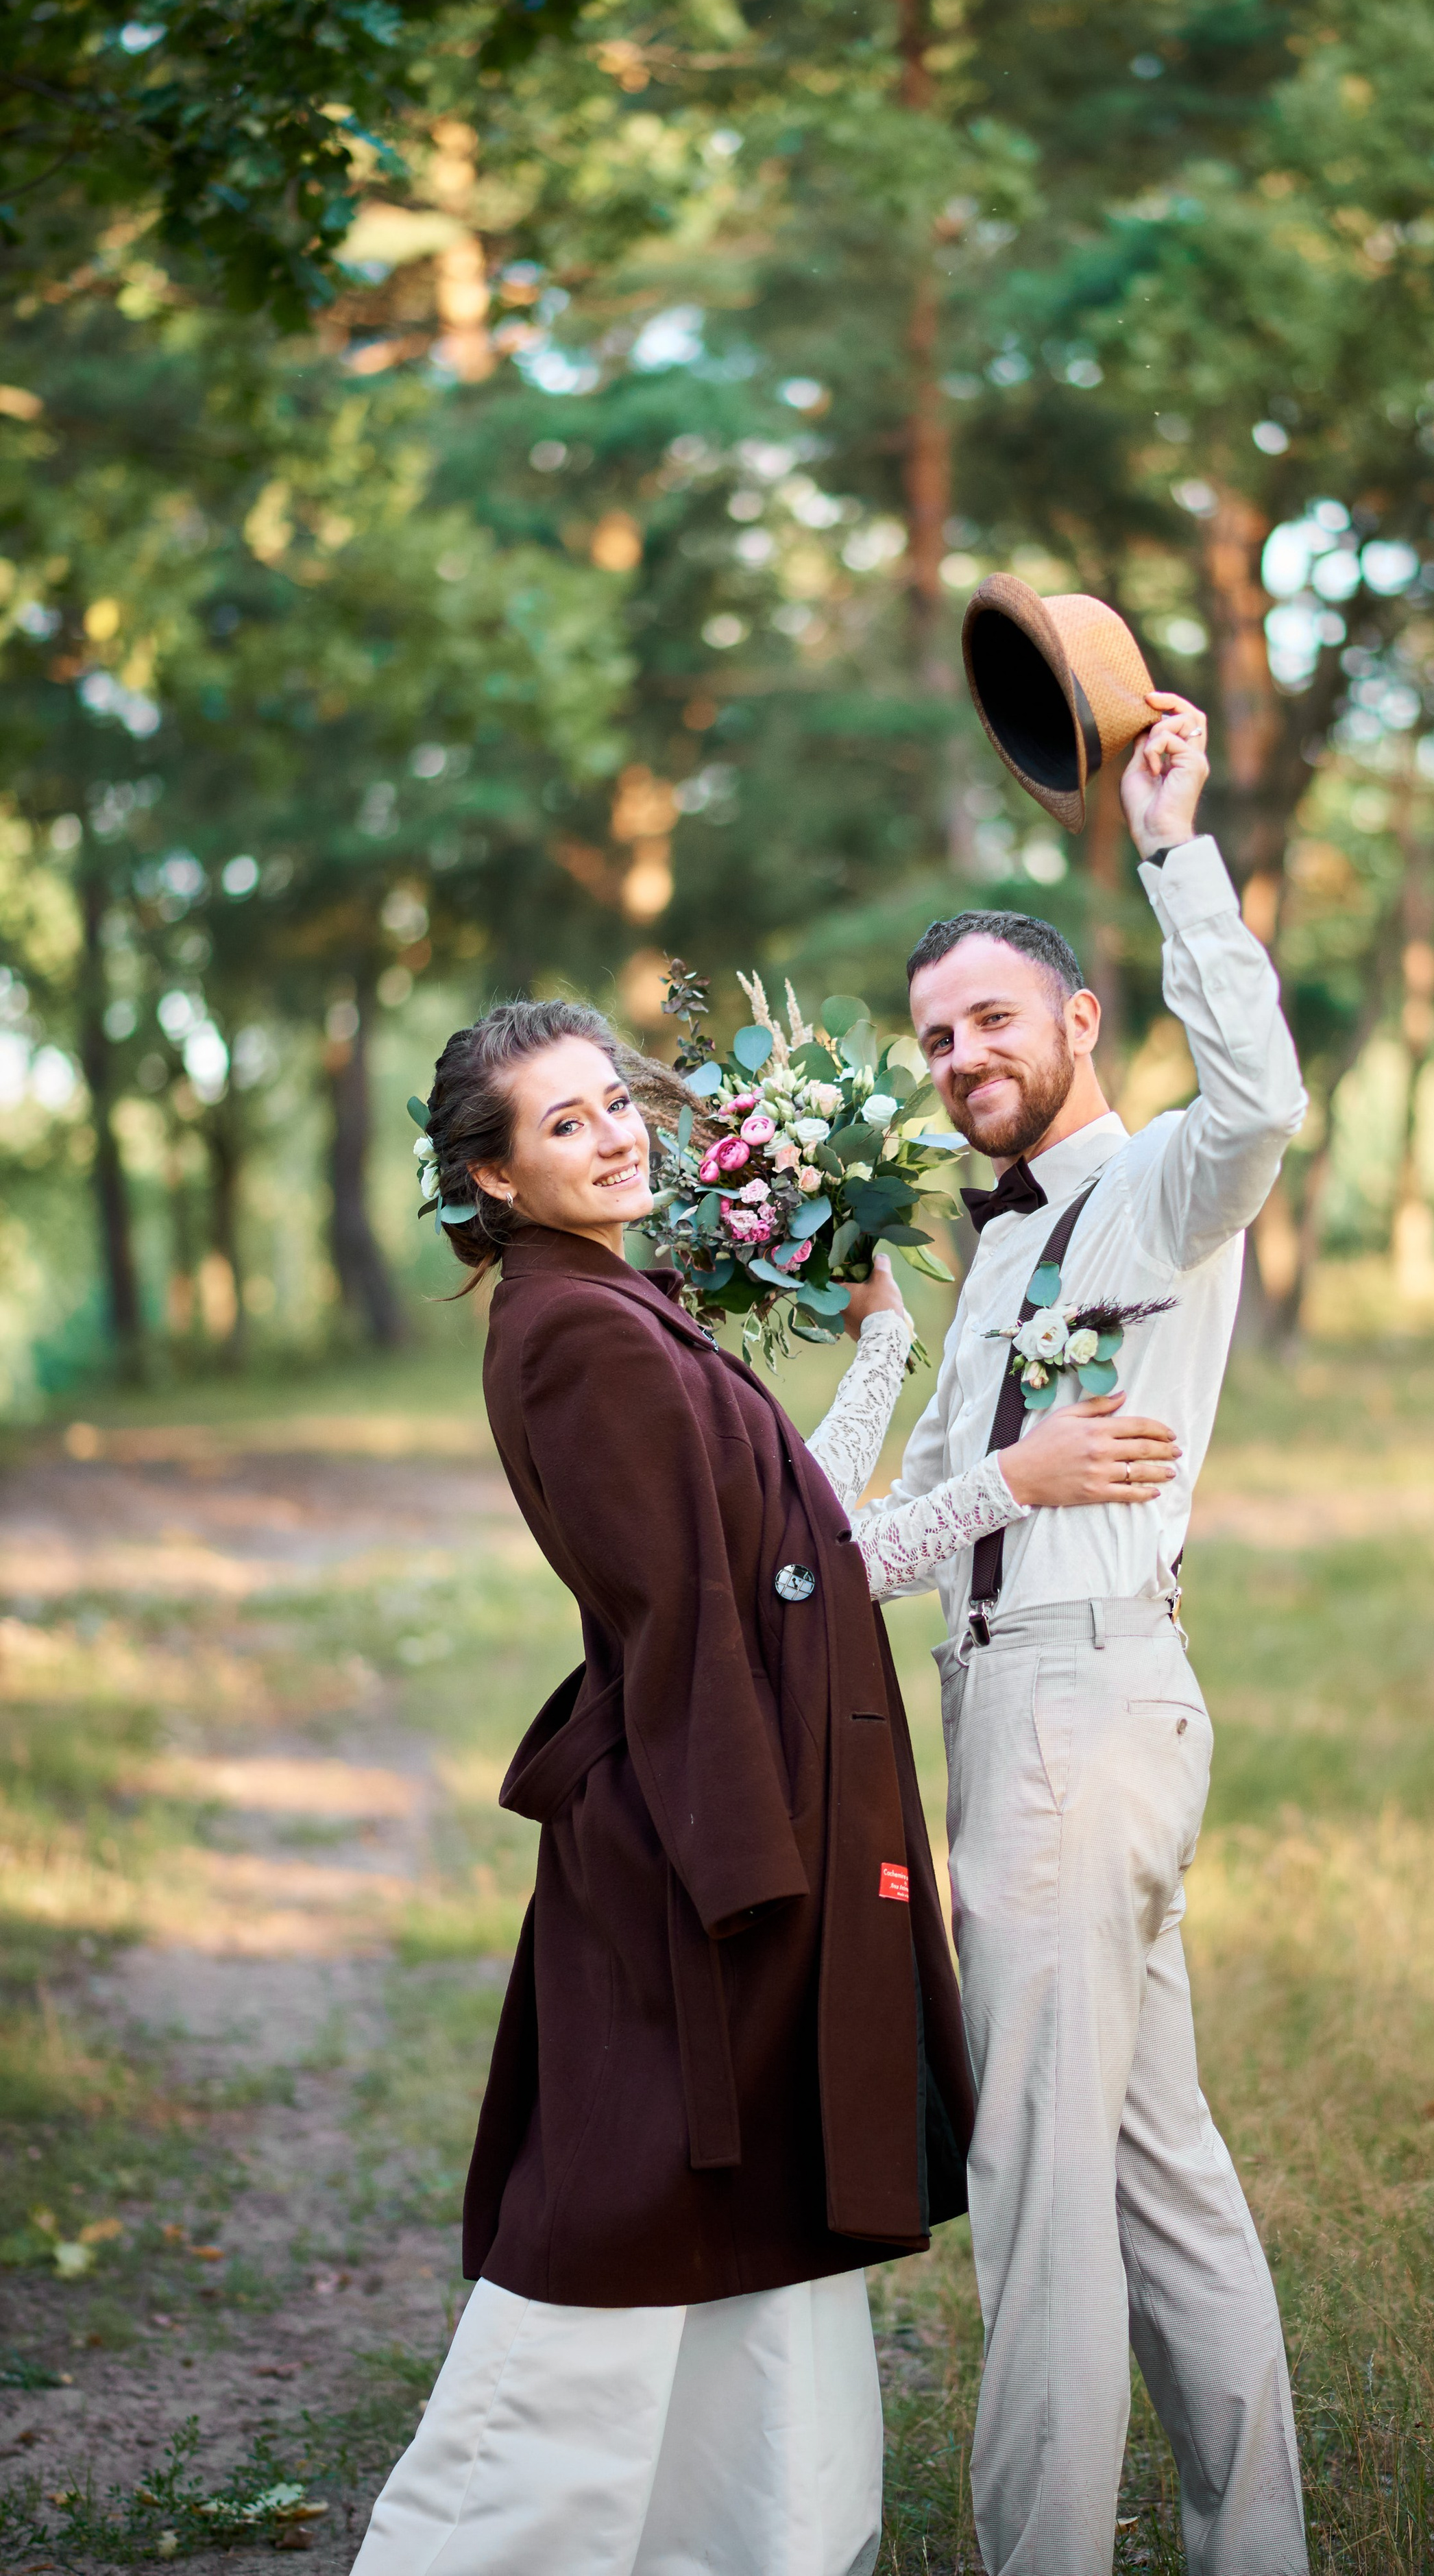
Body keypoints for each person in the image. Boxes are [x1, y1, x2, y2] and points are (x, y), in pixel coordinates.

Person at [352, 997, 1178, 2576]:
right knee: (622, 2196)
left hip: (739, 1795)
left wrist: (878, 1348)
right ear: (494, 1179)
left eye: (613, 1103)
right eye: (564, 1123)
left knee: (755, 2204)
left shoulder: (615, 1303)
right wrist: (1008, 1480)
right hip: (697, 1826)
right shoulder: (574, 1337)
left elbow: (782, 1524)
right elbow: (746, 1599)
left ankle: (750, 2541)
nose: (612, 1135)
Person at [864, 690, 1312, 2576]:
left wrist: (1167, 846)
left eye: (992, 1018)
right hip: (1026, 1715)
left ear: (1078, 1023)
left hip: (1083, 1712)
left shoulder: (1156, 1190)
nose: (963, 1051)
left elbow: (1266, 1100)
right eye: (935, 1034)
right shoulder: (995, 1255)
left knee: (1041, 2194)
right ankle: (1254, 2551)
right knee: (1156, 2176)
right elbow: (934, 1521)